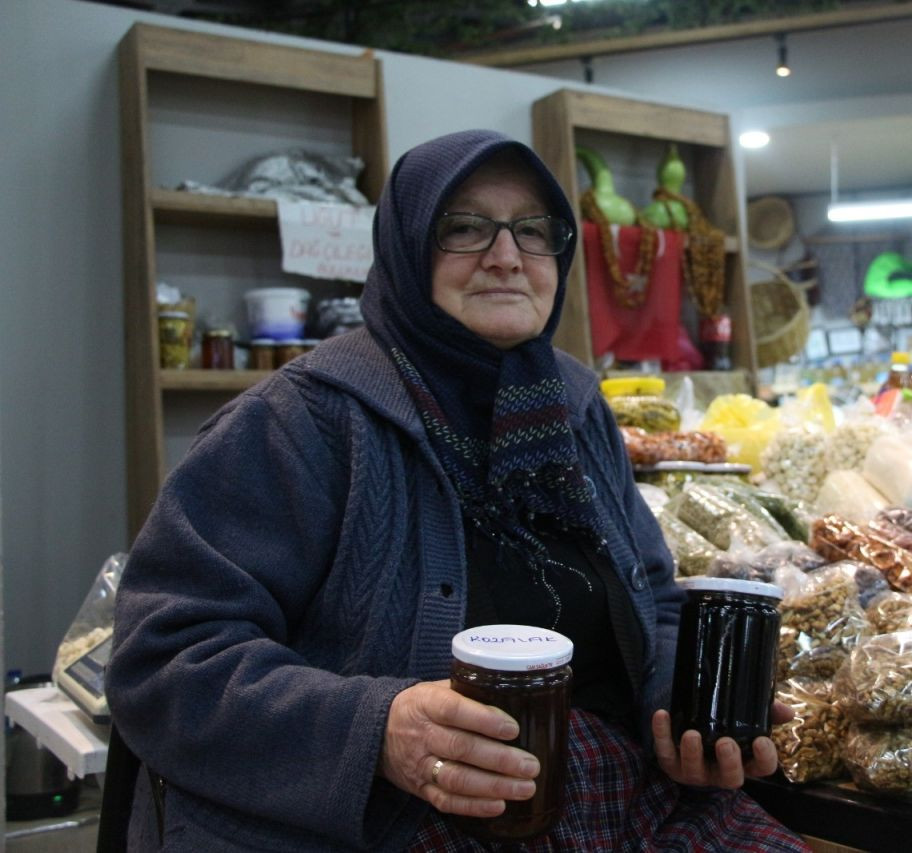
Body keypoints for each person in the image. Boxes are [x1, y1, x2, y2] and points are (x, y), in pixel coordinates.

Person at [105, 130, 807, 852]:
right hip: (404, 825)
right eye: (466, 227)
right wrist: (379, 729)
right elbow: (163, 659)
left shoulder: (574, 405)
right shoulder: (302, 421)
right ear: (409, 246)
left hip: (622, 796)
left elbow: (653, 596)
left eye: (534, 231)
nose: (507, 256)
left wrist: (677, 701)